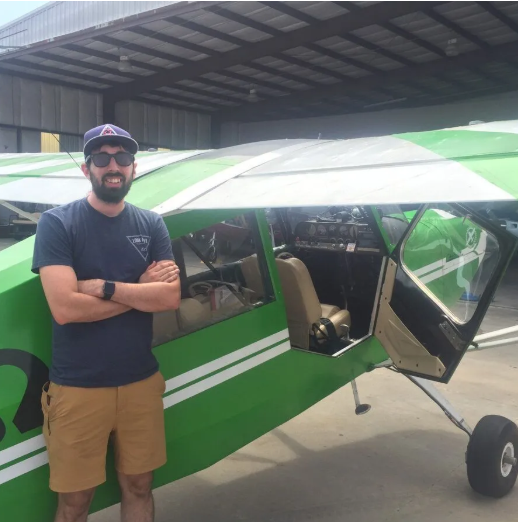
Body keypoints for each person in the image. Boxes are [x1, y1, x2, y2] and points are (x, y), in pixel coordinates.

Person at [31, 123, 181, 522]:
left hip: (140, 383)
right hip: (79, 388)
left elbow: (167, 297)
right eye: (102, 158)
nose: (113, 166)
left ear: (134, 168)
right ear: (87, 169)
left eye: (123, 158)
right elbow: (65, 309)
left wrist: (103, 288)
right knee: (76, 501)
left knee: (139, 486)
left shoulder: (152, 224)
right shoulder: (57, 224)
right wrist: (138, 292)